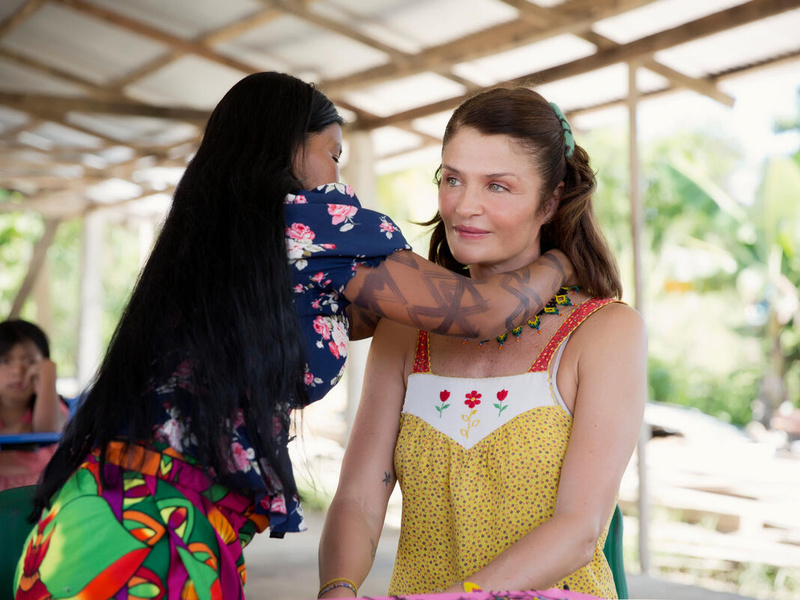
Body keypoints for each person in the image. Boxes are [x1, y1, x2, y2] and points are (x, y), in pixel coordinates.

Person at [15, 73, 573, 599]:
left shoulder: (219, 241)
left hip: (87, 517)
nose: (339, 178)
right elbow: (482, 312)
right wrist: (561, 262)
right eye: (332, 154)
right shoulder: (316, 223)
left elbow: (365, 316)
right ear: (286, 147)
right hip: (155, 534)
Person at [318, 87, 647, 599]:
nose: (464, 206)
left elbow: (580, 531)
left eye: (497, 186)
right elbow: (360, 497)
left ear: (552, 199)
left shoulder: (603, 330)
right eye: (452, 179)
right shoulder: (406, 330)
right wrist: (336, 588)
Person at [0, 319, 68, 491]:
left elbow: (49, 428)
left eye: (29, 361)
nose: (18, 371)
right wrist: (7, 434)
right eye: (4, 361)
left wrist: (48, 376)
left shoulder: (54, 406)